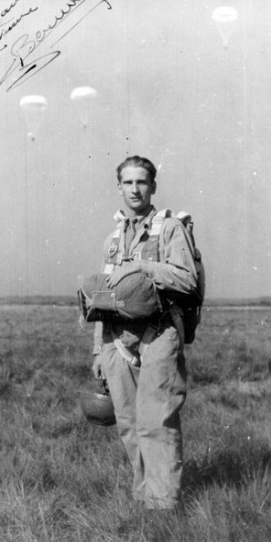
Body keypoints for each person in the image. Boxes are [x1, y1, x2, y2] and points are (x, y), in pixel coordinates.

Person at [91, 155, 199, 511]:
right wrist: (97, 353)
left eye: (141, 182)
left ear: (153, 186)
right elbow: (103, 299)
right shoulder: (112, 239)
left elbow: (187, 279)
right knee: (129, 424)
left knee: (156, 420)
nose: (134, 189)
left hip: (160, 331)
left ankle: (163, 506)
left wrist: (142, 267)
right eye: (127, 182)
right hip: (116, 339)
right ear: (119, 187)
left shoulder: (169, 229)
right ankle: (144, 501)